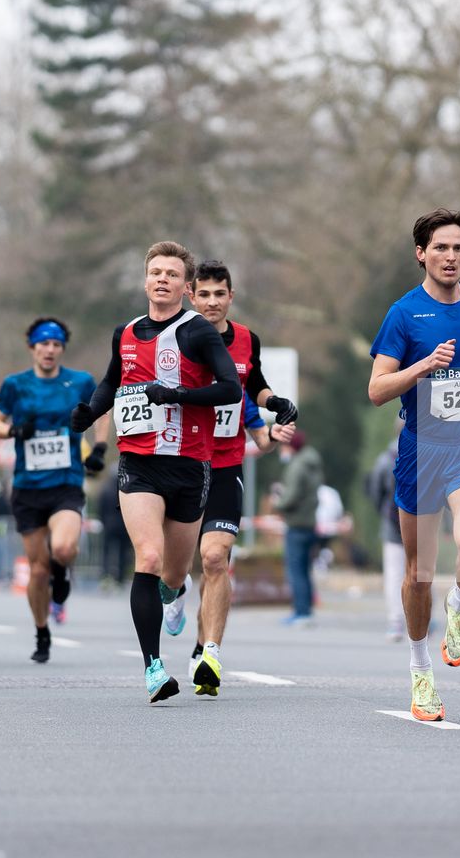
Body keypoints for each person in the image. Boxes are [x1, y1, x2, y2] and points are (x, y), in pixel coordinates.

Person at [68, 240, 242, 703]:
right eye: (155, 272)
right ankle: (154, 668)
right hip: (139, 463)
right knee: (147, 559)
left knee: (173, 572)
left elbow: (230, 390)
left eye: (171, 274)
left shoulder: (198, 332)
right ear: (145, 280)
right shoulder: (124, 333)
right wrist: (90, 411)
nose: (162, 279)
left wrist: (179, 395)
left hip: (190, 466)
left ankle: (176, 592)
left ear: (186, 287)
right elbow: (112, 381)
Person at [368, 208, 460, 722]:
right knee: (418, 574)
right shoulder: (404, 314)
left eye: (458, 248)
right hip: (419, 451)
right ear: (421, 254)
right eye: (441, 248)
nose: (450, 257)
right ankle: (419, 669)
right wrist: (422, 367)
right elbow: (376, 390)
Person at [183, 259, 298, 694]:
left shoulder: (247, 340)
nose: (212, 302)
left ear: (231, 296)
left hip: (226, 464)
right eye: (205, 294)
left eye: (220, 294)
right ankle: (174, 594)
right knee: (175, 570)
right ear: (192, 296)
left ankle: (209, 651)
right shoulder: (176, 337)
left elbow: (254, 387)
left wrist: (275, 412)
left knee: (215, 559)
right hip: (179, 466)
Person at [0, 316, 98, 665]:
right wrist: (13, 432)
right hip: (28, 487)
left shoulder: (79, 382)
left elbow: (102, 409)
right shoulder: (15, 385)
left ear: (62, 349)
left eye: (56, 345)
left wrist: (99, 448)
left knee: (64, 547)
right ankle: (41, 631)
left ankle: (63, 571)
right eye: (43, 344)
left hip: (65, 481)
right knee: (37, 570)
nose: (49, 350)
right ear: (32, 347)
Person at [273, 429, 325, 626]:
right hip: (309, 522)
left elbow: (291, 496)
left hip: (296, 523)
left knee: (296, 570)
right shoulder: (312, 463)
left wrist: (278, 503)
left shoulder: (297, 466)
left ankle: (301, 612)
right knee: (305, 570)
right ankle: (306, 610)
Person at [364, 435, 404, 640]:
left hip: (392, 523)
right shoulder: (429, 452)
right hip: (423, 523)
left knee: (394, 574)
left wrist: (382, 510)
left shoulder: (386, 458)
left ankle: (396, 622)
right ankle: (427, 620)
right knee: (423, 572)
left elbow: (375, 489)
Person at [96, 469, 131, 589]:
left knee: (106, 552)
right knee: (123, 552)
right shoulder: (126, 490)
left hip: (109, 526)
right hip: (124, 526)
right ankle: (120, 579)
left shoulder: (105, 489)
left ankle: (105, 575)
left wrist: (103, 521)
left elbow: (100, 508)